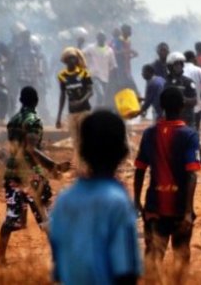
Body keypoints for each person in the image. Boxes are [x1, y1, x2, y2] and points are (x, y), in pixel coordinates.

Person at [48, 111, 142, 285]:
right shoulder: (118, 202)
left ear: (82, 151)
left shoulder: (63, 201)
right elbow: (126, 271)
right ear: (123, 152)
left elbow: (59, 267)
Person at [0, 87, 70, 265]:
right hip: (31, 176)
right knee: (47, 217)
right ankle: (58, 259)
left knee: (13, 220)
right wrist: (53, 165)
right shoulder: (34, 121)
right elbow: (32, 149)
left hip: (13, 174)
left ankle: (0, 258)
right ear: (36, 101)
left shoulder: (12, 121)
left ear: (21, 100)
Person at [134, 88, 200, 269]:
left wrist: (136, 199)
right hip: (179, 208)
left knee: (153, 258)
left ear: (161, 106)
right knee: (181, 258)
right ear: (182, 106)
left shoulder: (149, 134)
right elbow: (191, 174)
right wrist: (187, 211)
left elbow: (139, 169)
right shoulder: (189, 135)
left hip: (154, 207)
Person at [164, 52, 201, 178]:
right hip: (172, 119)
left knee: (194, 144)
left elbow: (194, 100)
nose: (180, 67)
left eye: (181, 64)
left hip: (188, 119)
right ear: (170, 67)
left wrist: (181, 100)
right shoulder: (167, 83)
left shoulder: (188, 82)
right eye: (176, 65)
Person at [55, 47, 93, 171]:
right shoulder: (62, 76)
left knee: (85, 139)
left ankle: (86, 167)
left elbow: (90, 91)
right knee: (75, 141)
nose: (72, 60)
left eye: (74, 58)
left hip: (84, 110)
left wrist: (81, 101)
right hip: (71, 113)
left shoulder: (84, 73)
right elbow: (62, 95)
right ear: (65, 61)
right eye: (70, 58)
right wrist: (59, 117)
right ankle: (80, 168)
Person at [84, 32, 117, 107]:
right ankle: (95, 112)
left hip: (105, 77)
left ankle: (96, 111)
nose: (101, 40)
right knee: (100, 94)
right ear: (97, 39)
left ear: (105, 39)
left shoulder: (109, 50)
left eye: (102, 38)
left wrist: (114, 78)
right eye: (99, 38)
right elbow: (82, 54)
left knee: (102, 98)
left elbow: (113, 65)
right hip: (94, 75)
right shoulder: (90, 48)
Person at [112, 24, 138, 92]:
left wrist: (131, 56)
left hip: (127, 68)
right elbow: (114, 52)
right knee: (125, 86)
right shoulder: (118, 40)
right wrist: (128, 51)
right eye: (129, 30)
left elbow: (127, 55)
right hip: (120, 68)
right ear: (124, 31)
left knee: (132, 87)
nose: (130, 32)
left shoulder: (128, 41)